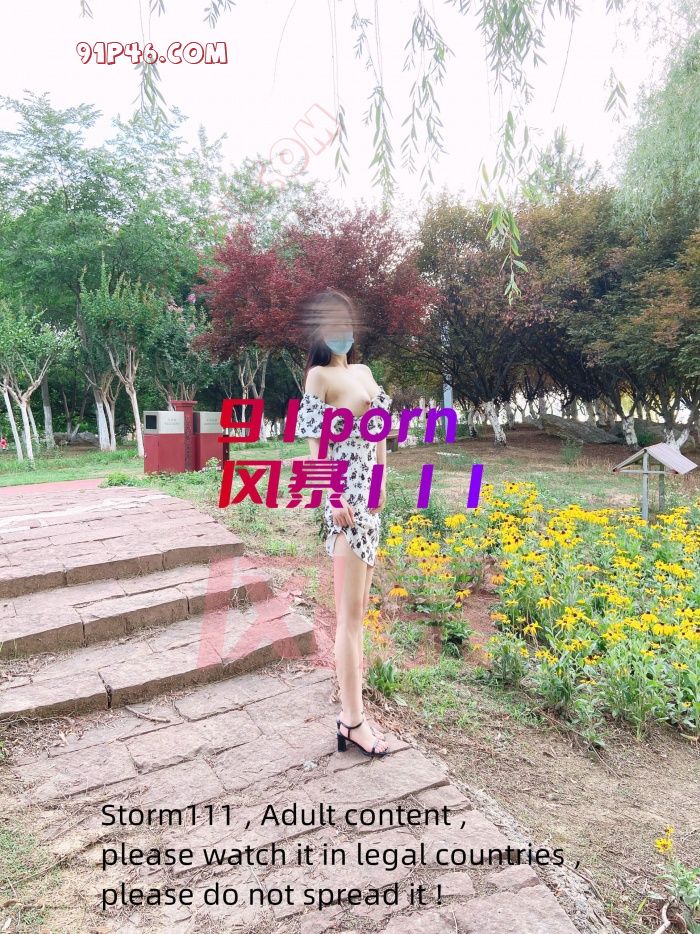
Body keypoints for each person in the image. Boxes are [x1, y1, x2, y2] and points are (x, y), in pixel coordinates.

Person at [296, 289, 392, 758]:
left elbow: (379, 435)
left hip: (370, 506)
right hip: (346, 506)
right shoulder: (318, 378)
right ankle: (353, 721)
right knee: (348, 621)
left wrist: (382, 481)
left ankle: (352, 714)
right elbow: (313, 448)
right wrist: (332, 497)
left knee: (359, 617)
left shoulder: (365, 372)